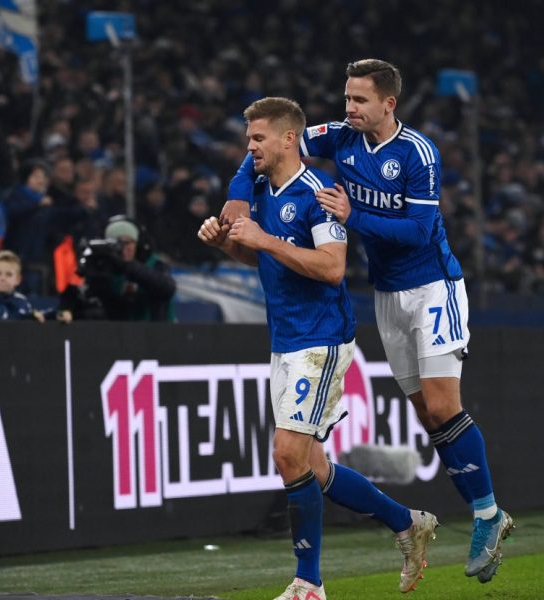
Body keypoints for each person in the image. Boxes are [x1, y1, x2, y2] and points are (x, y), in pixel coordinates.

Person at [222, 59, 512, 584]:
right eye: (347, 98)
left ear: (388, 104)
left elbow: (419, 231)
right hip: (387, 294)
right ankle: (417, 522)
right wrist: (239, 193)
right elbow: (271, 144)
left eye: (359, 100)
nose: (349, 108)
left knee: (443, 404)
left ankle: (487, 513)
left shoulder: (418, 153)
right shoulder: (340, 137)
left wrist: (353, 215)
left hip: (433, 285)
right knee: (426, 414)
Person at [201, 97, 438, 600]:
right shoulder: (262, 188)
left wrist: (264, 239)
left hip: (321, 339)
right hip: (285, 339)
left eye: (258, 138)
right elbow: (263, 257)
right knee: (314, 466)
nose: (250, 148)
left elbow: (331, 267)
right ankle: (407, 522)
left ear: (289, 138)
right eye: (248, 139)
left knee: (287, 454)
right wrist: (228, 244)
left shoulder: (318, 193)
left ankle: (309, 582)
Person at [60, 216, 176, 322]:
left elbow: (166, 288)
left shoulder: (154, 264)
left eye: (128, 242)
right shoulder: (103, 269)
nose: (124, 248)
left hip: (155, 332)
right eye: (117, 244)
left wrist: (127, 266)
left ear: (138, 244)